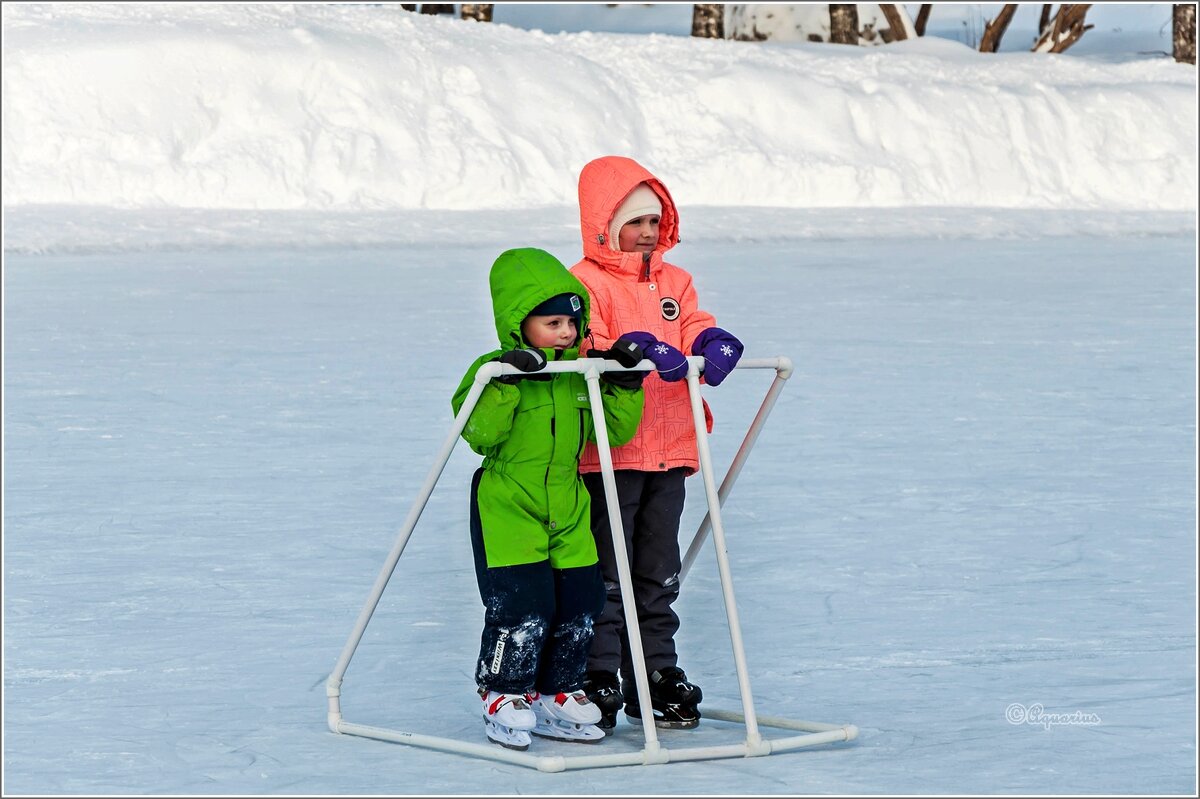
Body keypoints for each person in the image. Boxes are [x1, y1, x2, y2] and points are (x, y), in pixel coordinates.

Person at [569, 156, 744, 732]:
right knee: (609, 574)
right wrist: (630, 347)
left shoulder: (676, 281)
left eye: (654, 220)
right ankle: (597, 675)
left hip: (671, 449)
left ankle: (656, 674)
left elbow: (690, 321)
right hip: (613, 452)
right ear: (603, 225)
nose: (647, 232)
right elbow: (580, 343)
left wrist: (711, 338)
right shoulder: (585, 281)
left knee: (658, 573)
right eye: (634, 221)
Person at [451, 246, 648, 751]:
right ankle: (503, 690)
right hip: (508, 502)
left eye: (572, 322)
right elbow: (478, 432)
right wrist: (506, 380)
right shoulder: (493, 370)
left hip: (567, 499)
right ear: (520, 324)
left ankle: (558, 689)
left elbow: (614, 434)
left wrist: (624, 384)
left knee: (582, 599)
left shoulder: (580, 372)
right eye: (553, 322)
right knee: (524, 603)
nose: (565, 332)